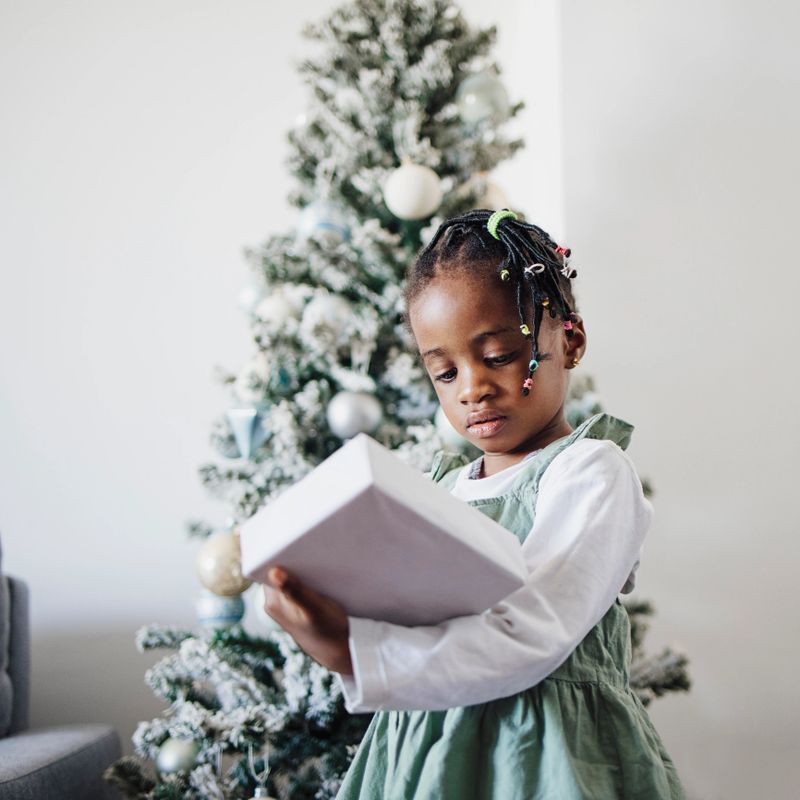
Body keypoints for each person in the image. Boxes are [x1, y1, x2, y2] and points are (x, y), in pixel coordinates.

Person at [263, 209, 686, 799]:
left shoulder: (591, 471)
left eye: (498, 357)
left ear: (570, 339)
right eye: (444, 371)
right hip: (427, 758)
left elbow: (535, 630)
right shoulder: (443, 493)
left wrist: (358, 653)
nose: (471, 389)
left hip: (546, 757)